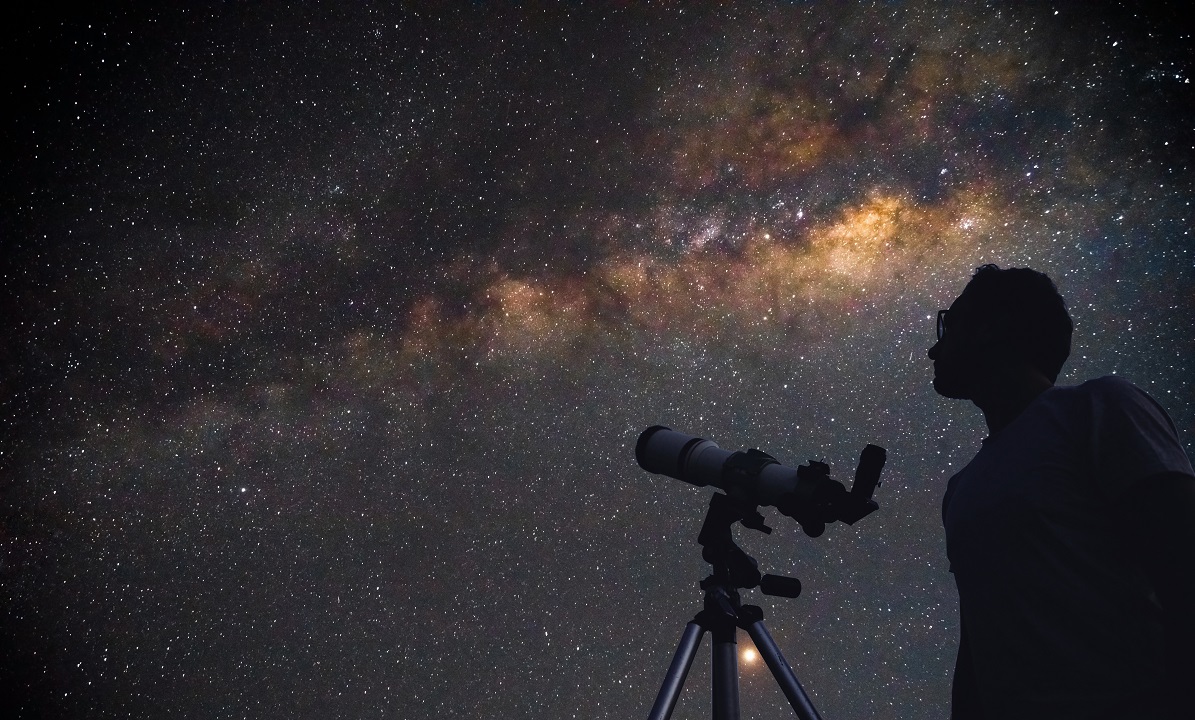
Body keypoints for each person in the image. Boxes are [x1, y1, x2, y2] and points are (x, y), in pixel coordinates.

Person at [927, 264, 1195, 720]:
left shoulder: (1101, 408)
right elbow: (978, 641)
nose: (934, 348)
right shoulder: (961, 489)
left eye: (949, 325)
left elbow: (1183, 556)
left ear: (994, 328)